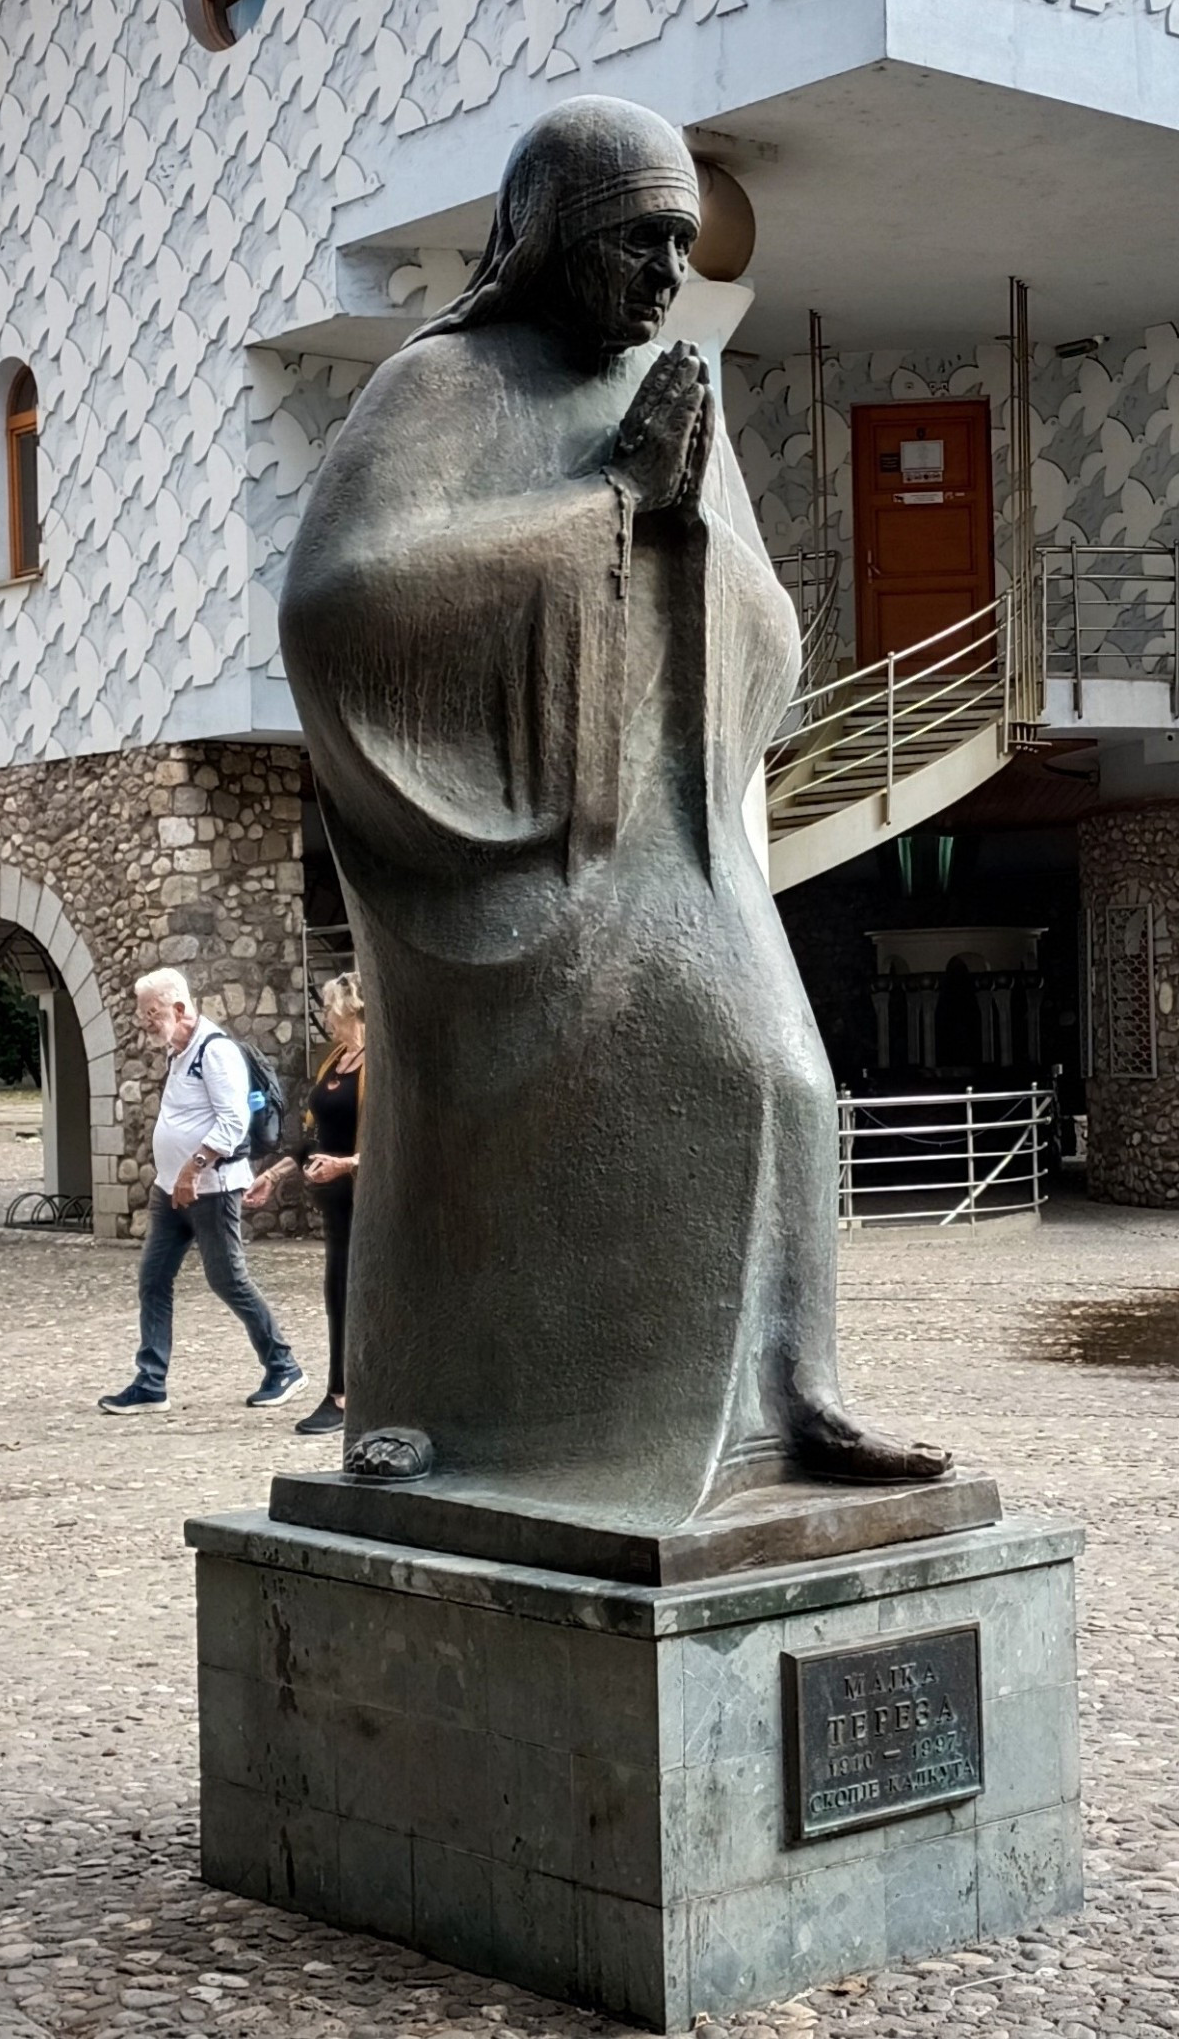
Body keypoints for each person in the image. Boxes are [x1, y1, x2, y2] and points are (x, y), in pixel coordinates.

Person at [279, 94, 947, 1525]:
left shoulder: (678, 383)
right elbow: (345, 602)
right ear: (547, 237)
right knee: (480, 1138)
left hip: (661, 825)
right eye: (638, 243)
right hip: (506, 844)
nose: (663, 279)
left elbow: (767, 627)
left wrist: (685, 517)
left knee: (781, 1074)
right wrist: (606, 507)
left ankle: (786, 1395)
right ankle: (424, 1407)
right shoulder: (441, 387)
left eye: (681, 252)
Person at [98, 969, 305, 1414]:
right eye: (142, 1014)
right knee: (153, 1279)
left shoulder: (215, 1052)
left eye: (150, 1013)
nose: (145, 1022)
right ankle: (151, 1382)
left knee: (227, 1279)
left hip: (210, 1188)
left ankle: (283, 1365)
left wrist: (192, 1170)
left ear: (178, 1007)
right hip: (170, 1190)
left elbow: (232, 1124)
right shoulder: (179, 1051)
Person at [245, 972, 363, 1435]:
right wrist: (273, 1175)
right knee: (338, 1295)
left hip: (366, 1202)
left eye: (329, 1008)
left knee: (350, 1293)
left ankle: (345, 1395)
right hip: (334, 1206)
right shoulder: (335, 1060)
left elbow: (398, 1143)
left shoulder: (382, 1063)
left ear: (350, 1009)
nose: (324, 1017)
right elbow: (314, 1138)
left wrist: (348, 1164)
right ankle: (344, 1390)